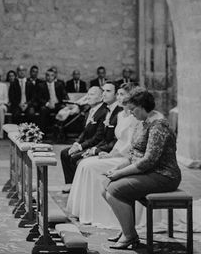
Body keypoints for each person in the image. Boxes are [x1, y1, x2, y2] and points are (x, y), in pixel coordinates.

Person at [102, 88, 181, 249]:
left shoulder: (158, 125)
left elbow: (148, 161)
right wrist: (117, 168)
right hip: (149, 172)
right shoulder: (141, 122)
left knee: (115, 191)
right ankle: (127, 229)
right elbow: (133, 154)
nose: (130, 112)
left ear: (143, 106)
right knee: (105, 186)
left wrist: (119, 174)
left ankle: (130, 236)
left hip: (164, 175)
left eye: (133, 109)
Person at [66, 85, 141, 227]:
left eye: (122, 94)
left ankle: (99, 213)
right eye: (117, 94)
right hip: (116, 153)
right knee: (83, 163)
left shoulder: (134, 117)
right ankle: (84, 210)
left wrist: (112, 155)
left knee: (88, 165)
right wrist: (109, 154)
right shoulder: (120, 115)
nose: (119, 97)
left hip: (127, 157)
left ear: (131, 98)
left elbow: (131, 144)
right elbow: (119, 141)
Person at [60, 86, 108, 191]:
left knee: (74, 157)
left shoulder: (103, 112)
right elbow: (85, 131)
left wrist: (80, 147)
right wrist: (76, 144)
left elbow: (98, 137)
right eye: (88, 94)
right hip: (86, 143)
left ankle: (79, 187)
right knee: (64, 153)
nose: (88, 97)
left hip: (96, 145)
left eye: (92, 94)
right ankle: (70, 183)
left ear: (101, 97)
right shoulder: (89, 110)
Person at [36, 68, 68, 134]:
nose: (50, 77)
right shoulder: (41, 85)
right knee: (42, 110)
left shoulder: (59, 85)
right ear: (45, 76)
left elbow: (64, 95)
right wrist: (47, 104)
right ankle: (42, 133)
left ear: (54, 76)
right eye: (48, 75)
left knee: (64, 109)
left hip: (57, 104)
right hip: (47, 105)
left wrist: (65, 101)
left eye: (52, 75)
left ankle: (62, 133)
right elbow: (39, 98)